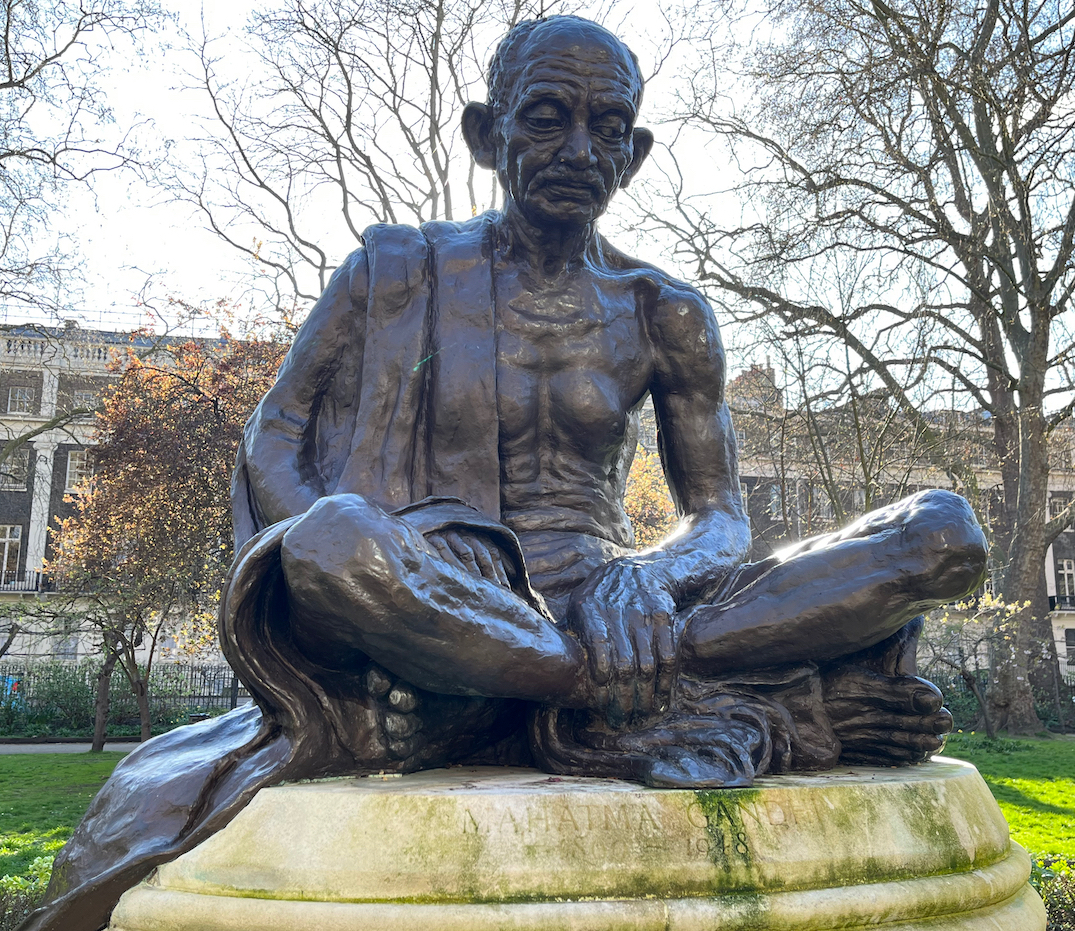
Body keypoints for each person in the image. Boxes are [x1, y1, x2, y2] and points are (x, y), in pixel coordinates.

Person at [21, 16, 987, 931]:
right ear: (488, 135)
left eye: (607, 127)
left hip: (613, 602)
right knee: (327, 542)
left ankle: (512, 698)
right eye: (546, 117)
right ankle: (590, 688)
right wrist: (346, 561)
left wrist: (639, 579)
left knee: (944, 532)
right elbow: (274, 438)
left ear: (634, 154)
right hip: (438, 583)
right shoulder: (393, 271)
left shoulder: (666, 312)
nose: (578, 149)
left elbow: (719, 517)